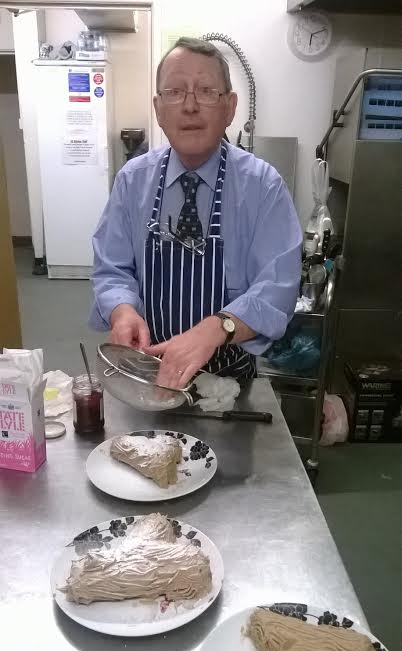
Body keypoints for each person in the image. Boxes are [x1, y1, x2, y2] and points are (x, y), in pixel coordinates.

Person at [90, 37, 302, 389]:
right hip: (148, 375)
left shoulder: (263, 186)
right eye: (174, 92)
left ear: (230, 107)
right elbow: (112, 268)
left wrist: (218, 328)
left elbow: (277, 289)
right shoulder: (132, 181)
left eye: (206, 91)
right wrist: (122, 311)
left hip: (229, 383)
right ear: (158, 108)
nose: (189, 106)